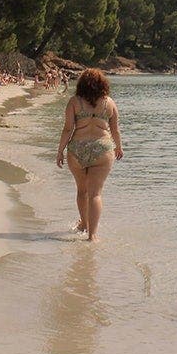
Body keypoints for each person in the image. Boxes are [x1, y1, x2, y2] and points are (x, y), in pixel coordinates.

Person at [56, 68, 123, 242]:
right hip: (102, 148)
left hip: (77, 148)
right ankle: (92, 236)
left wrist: (60, 150)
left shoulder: (74, 102)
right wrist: (119, 147)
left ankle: (84, 224)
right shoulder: (109, 103)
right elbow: (115, 130)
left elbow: (68, 128)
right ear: (103, 84)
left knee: (82, 190)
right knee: (95, 194)